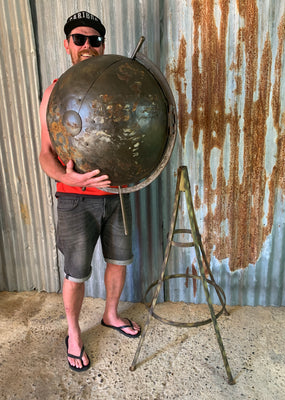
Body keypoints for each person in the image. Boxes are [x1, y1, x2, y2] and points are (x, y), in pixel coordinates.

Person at [39, 11, 141, 372]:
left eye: (94, 40)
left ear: (103, 46)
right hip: (75, 198)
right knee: (76, 273)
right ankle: (74, 333)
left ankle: (111, 315)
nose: (87, 46)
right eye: (79, 39)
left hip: (118, 194)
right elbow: (46, 156)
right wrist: (76, 181)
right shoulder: (55, 92)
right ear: (67, 44)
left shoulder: (118, 89)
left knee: (119, 261)